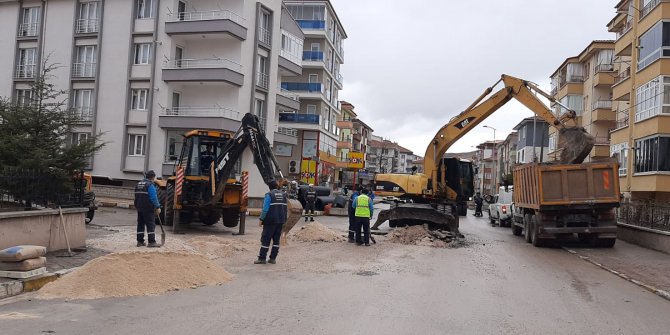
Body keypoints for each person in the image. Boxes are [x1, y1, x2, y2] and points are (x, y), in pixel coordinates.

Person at [255, 180, 288, 264]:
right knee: (276, 240)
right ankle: (273, 259)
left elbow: (265, 209)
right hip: (280, 220)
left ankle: (262, 258)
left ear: (269, 187)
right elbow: (285, 208)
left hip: (270, 221)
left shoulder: (269, 195)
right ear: (277, 186)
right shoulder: (284, 195)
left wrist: (261, 219)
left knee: (266, 239)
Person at [134, 170, 161, 248]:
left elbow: (136, 196)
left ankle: (140, 241)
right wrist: (157, 206)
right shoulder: (150, 185)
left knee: (140, 224)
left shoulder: (138, 184)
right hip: (148, 208)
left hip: (139, 207)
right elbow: (153, 197)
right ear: (152, 177)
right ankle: (152, 242)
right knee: (150, 224)